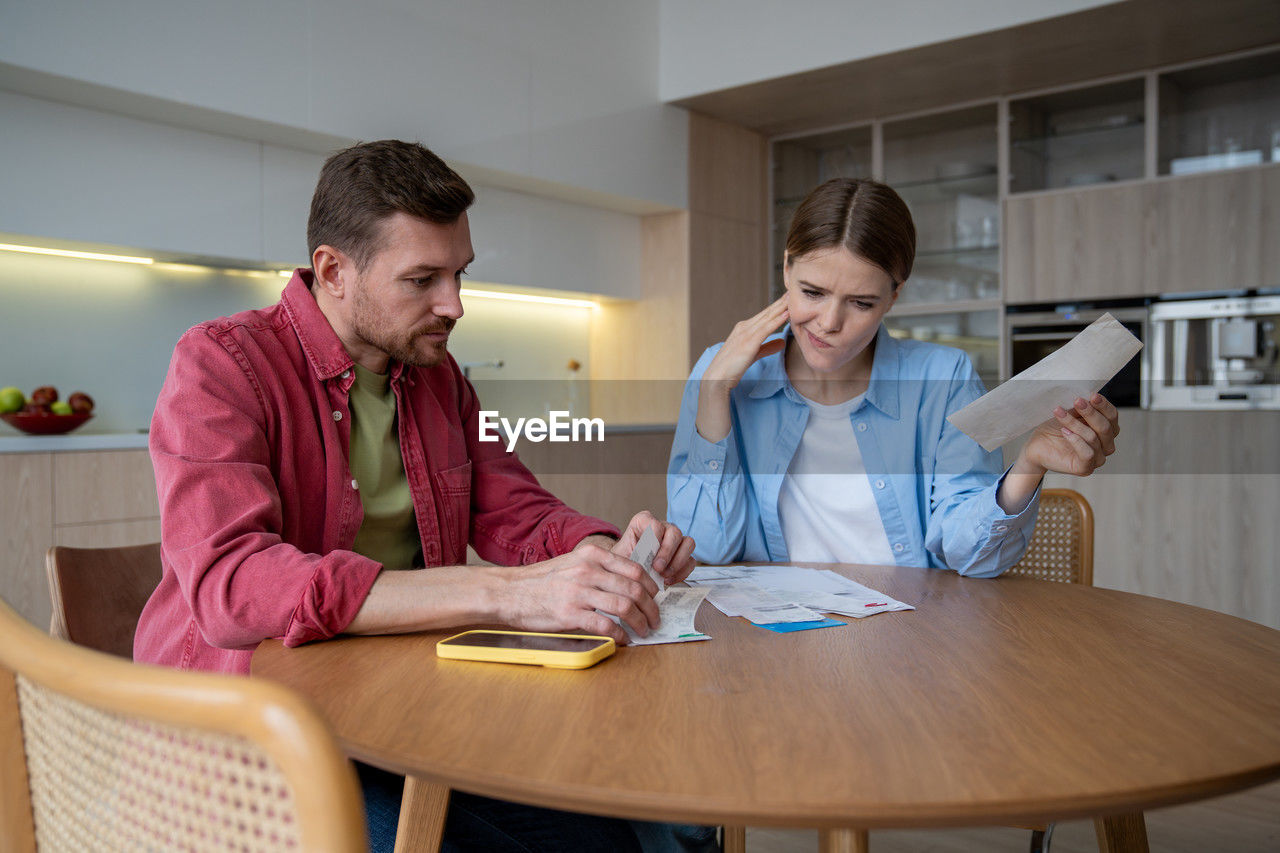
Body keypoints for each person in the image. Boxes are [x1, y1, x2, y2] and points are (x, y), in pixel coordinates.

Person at [135, 139, 715, 852]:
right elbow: (233, 583)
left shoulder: (438, 377)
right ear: (333, 270)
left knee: (622, 833)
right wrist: (502, 593)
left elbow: (516, 510)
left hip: (401, 707)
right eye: (423, 279)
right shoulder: (221, 363)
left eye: (459, 274)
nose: (455, 304)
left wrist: (602, 556)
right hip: (249, 734)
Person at [667, 177, 1121, 574]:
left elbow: (970, 558)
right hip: (775, 639)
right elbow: (707, 553)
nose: (829, 322)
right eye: (812, 292)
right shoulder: (724, 372)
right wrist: (712, 396)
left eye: (861, 303)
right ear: (787, 268)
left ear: (894, 295)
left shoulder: (943, 379)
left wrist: (1028, 464)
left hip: (909, 636)